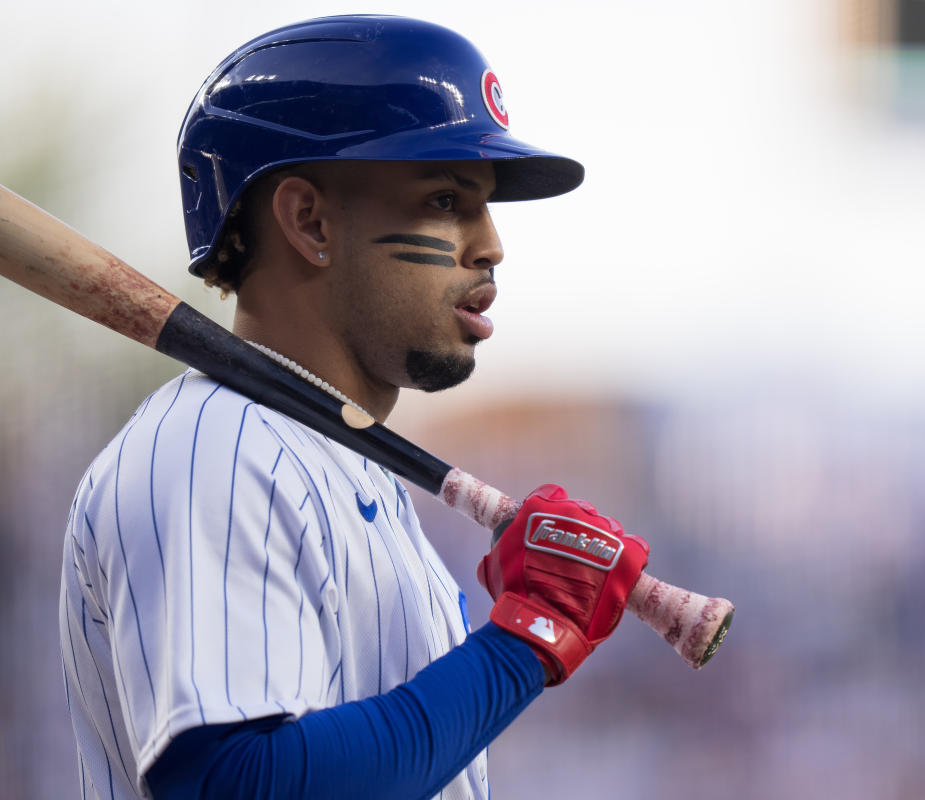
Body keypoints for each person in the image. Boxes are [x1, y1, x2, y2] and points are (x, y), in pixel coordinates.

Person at [58, 15, 649, 800]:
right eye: (446, 199)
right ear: (310, 222)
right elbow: (235, 783)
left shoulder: (324, 461)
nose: (492, 243)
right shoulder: (217, 450)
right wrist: (520, 644)